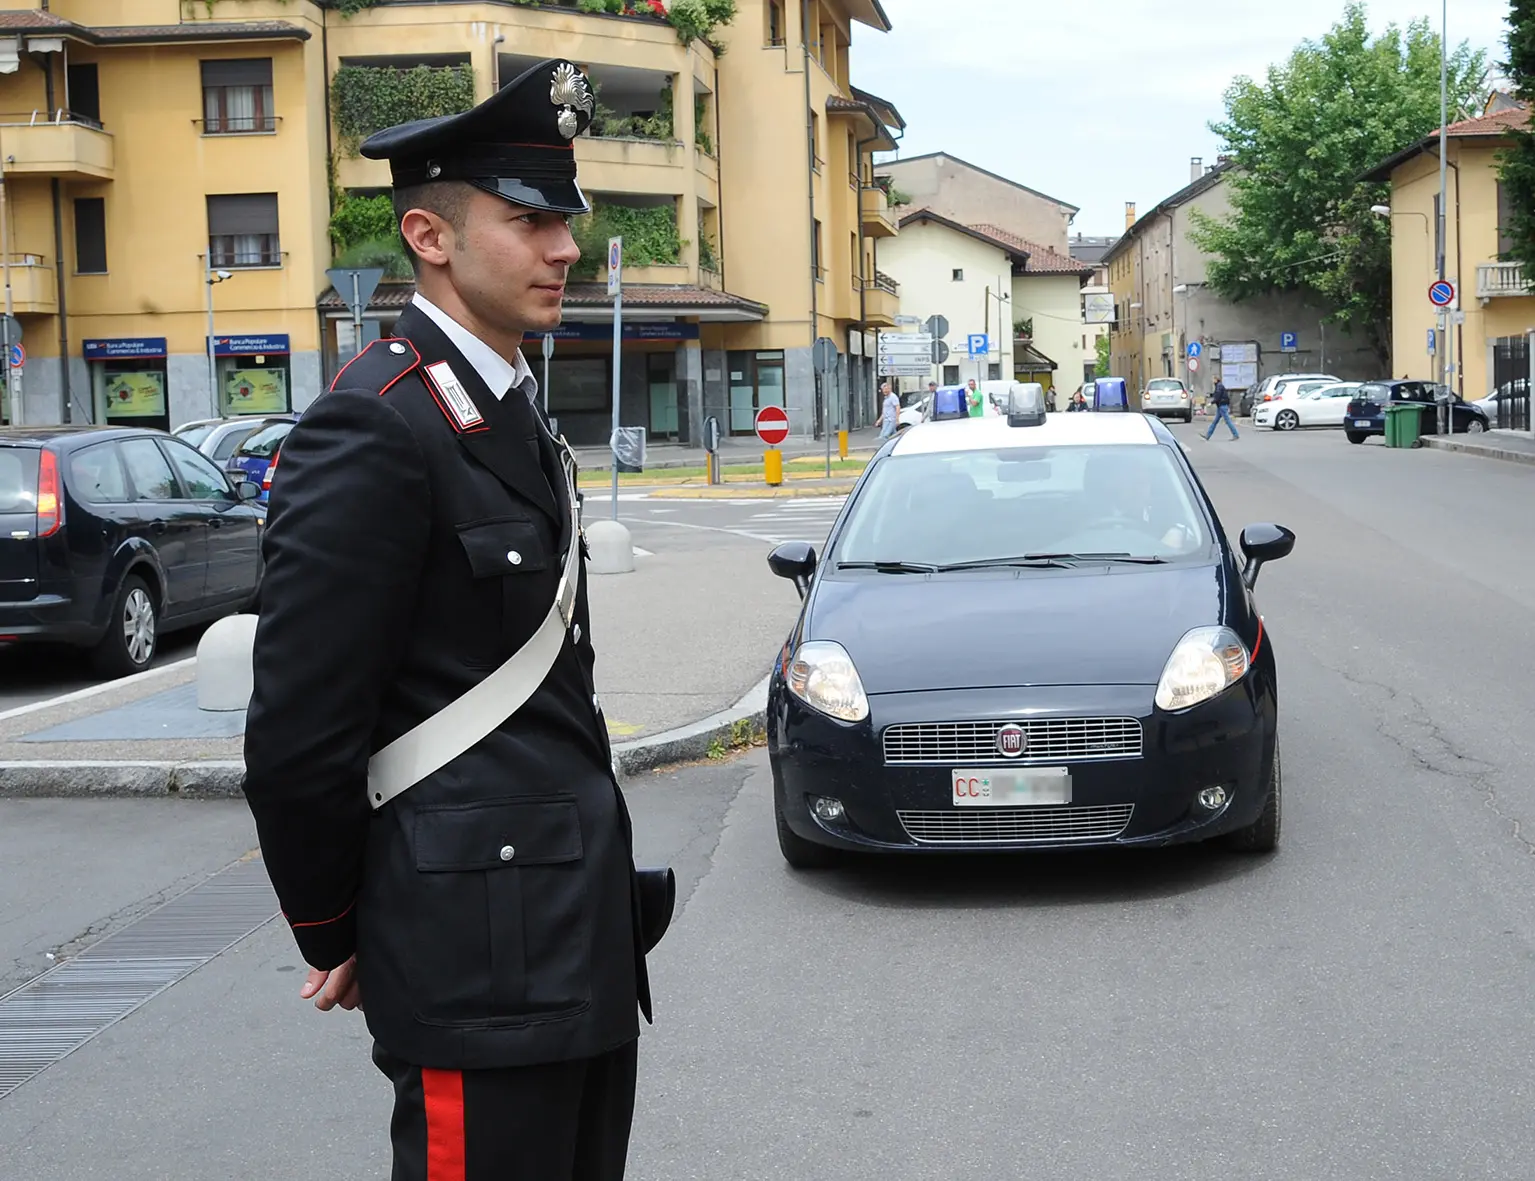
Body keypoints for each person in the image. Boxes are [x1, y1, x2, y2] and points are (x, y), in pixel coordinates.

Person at [241, 59, 671, 1181]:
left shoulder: (506, 409)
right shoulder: (375, 425)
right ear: (430, 235)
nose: (565, 248)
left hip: (568, 940)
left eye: (566, 221)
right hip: (471, 960)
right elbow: (299, 729)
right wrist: (340, 925)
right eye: (529, 221)